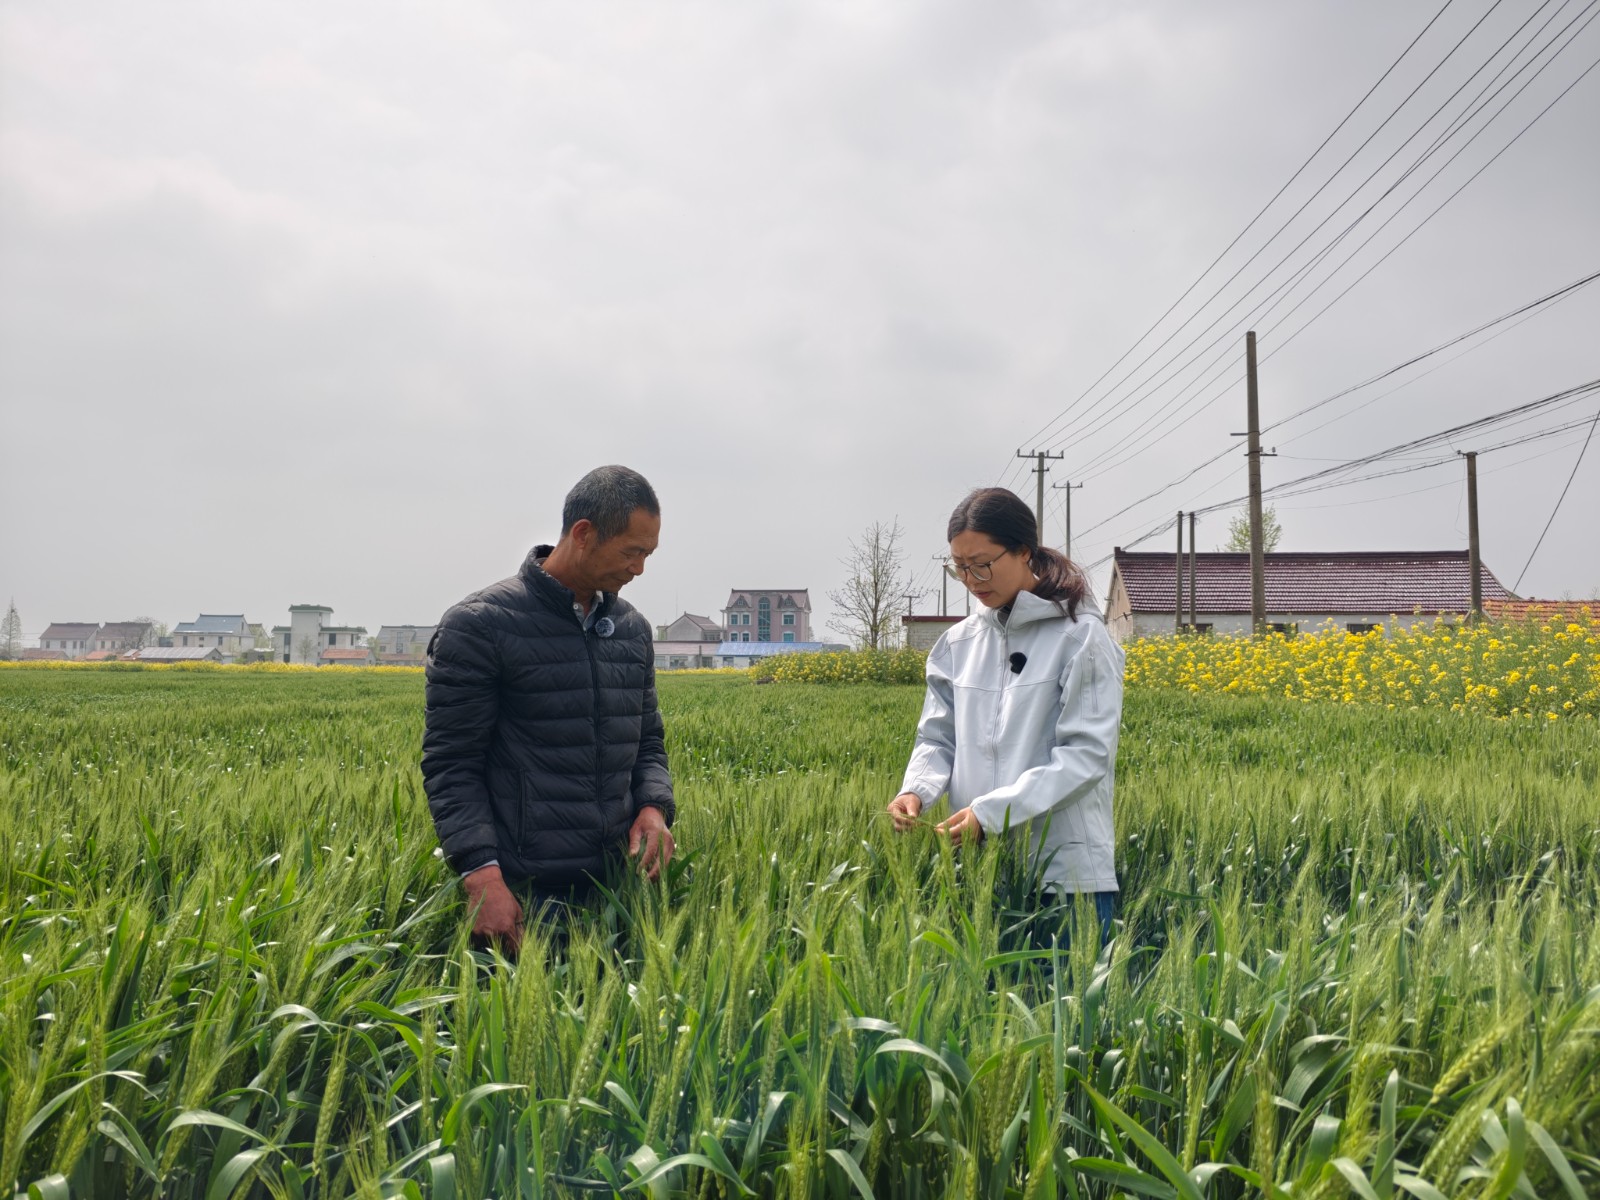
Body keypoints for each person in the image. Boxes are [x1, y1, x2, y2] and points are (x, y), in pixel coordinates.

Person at [422, 465, 675, 953]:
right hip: (522, 894)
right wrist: (480, 874)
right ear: (583, 534)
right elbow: (453, 764)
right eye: (632, 551)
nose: (640, 568)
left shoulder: (632, 630)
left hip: (618, 892)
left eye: (648, 553)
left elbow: (647, 741)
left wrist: (653, 806)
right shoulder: (479, 626)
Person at [888, 486, 1123, 939]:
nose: (973, 579)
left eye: (982, 564)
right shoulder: (957, 644)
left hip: (1066, 876)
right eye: (960, 568)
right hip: (981, 873)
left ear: (1023, 552)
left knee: (1069, 1009)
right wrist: (915, 791)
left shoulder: (1080, 637)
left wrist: (991, 815)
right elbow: (937, 738)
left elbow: (1086, 756)